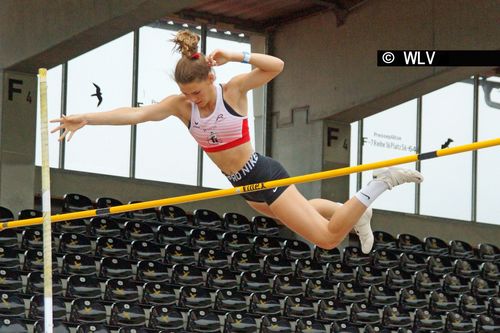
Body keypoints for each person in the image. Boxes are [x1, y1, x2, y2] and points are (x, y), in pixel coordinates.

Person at [51, 30, 423, 253]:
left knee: (326, 239)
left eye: (197, 91)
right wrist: (87, 118)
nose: (193, 99)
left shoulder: (234, 91)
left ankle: (381, 182)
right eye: (187, 93)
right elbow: (134, 114)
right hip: (244, 186)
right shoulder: (181, 107)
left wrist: (236, 54)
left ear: (211, 77)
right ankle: (361, 212)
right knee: (303, 208)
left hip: (262, 172)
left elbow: (275, 66)